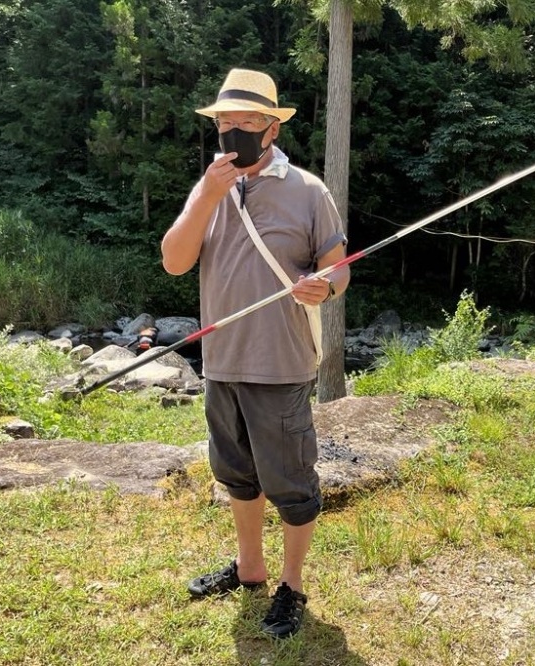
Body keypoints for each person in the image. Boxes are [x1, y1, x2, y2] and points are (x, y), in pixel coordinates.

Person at [160, 68, 349, 640]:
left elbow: (338, 267)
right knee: (235, 474)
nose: (234, 131)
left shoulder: (309, 191)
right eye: (225, 122)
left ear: (272, 127)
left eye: (247, 121)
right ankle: (250, 568)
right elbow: (174, 261)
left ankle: (292, 584)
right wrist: (207, 195)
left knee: (289, 479)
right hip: (221, 361)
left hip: (282, 361)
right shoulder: (208, 189)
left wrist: (324, 286)